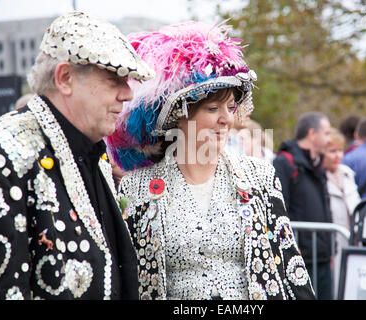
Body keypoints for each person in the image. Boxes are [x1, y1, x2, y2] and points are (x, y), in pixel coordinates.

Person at [107, 21, 315, 300]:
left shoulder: (260, 176)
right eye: (213, 108)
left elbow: (291, 269)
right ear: (179, 116)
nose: (227, 119)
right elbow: (127, 281)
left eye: (231, 107)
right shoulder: (136, 188)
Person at [0, 11, 154, 300]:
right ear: (65, 78)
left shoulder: (93, 153)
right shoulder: (4, 151)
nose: (127, 94)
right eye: (113, 78)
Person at [273, 111, 333, 300]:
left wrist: (330, 248)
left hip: (322, 256)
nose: (330, 139)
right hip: (300, 259)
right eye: (327, 133)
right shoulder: (285, 162)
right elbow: (278, 207)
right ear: (312, 134)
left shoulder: (318, 165)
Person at [322, 128, 360, 297]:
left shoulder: (348, 174)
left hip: (351, 239)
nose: (337, 155)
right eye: (332, 151)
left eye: (340, 150)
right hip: (332, 244)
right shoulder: (319, 178)